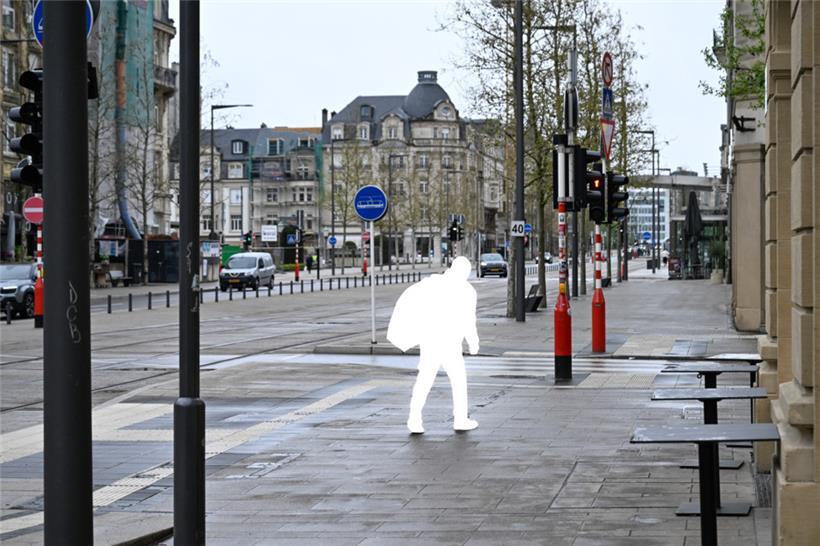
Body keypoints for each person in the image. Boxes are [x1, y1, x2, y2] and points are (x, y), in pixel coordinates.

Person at [387, 256, 479, 434]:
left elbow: (414, 305)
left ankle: (414, 419)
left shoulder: (432, 284)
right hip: (451, 343)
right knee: (458, 381)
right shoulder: (467, 290)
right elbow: (469, 320)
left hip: (431, 341)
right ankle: (460, 419)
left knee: (424, 380)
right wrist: (473, 343)